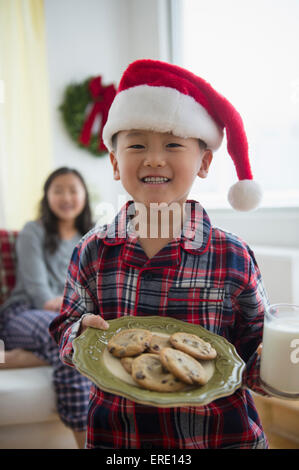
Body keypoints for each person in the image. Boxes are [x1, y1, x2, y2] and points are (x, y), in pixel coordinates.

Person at [49, 60, 270, 449]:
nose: (153, 158)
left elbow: (254, 353)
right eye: (136, 145)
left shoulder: (233, 257)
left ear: (203, 162)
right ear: (116, 163)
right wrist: (79, 334)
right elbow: (65, 326)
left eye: (172, 143)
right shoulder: (92, 252)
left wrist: (282, 364)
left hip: (220, 436)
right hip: (119, 437)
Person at [0, 167, 94, 448]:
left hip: (67, 318)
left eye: (73, 190)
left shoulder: (91, 238)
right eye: (58, 190)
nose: (66, 197)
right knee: (74, 339)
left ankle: (16, 357)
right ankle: (85, 441)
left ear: (84, 196)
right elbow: (39, 292)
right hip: (24, 313)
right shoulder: (34, 230)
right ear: (47, 197)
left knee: (81, 338)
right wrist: (78, 313)